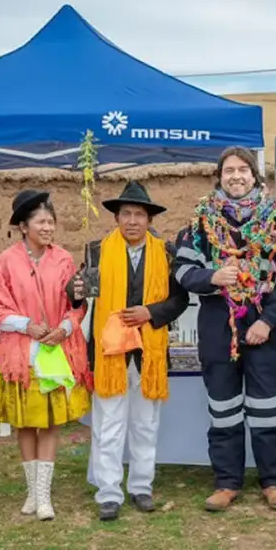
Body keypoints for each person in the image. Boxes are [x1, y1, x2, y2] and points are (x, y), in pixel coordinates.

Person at [173, 146, 276, 512]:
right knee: (224, 409)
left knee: (268, 409)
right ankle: (227, 482)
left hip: (263, 325)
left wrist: (267, 321)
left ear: (254, 177)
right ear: (220, 177)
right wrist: (212, 276)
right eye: (229, 170)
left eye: (243, 170)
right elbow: (181, 272)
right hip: (217, 324)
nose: (236, 176)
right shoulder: (200, 224)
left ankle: (273, 481)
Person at [67, 181, 189, 521]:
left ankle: (141, 487)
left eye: (139, 215)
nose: (132, 221)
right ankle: (109, 493)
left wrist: (151, 312)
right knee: (108, 424)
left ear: (149, 219)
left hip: (148, 351)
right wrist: (74, 289)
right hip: (110, 353)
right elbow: (79, 293)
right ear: (116, 218)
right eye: (126, 214)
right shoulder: (96, 251)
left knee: (145, 424)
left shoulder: (166, 254)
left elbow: (180, 300)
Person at [0, 190, 93, 521]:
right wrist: (25, 325)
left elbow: (78, 305)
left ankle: (44, 496)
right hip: (21, 354)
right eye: (41, 221)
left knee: (52, 423)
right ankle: (32, 492)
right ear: (24, 226)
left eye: (51, 222)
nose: (47, 227)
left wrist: (66, 328)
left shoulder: (63, 260)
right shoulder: (6, 262)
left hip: (55, 352)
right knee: (26, 423)